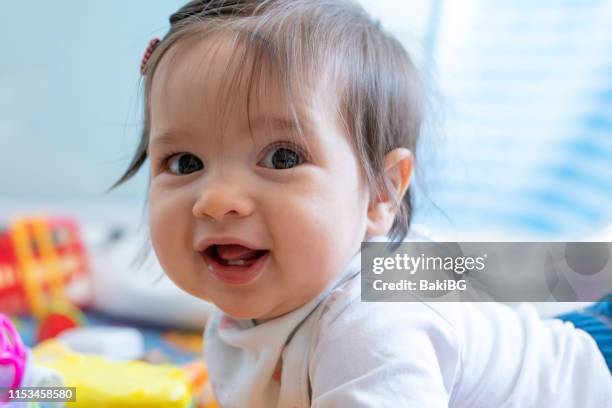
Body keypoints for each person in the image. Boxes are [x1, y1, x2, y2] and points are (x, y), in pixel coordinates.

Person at [113, 0, 612, 406]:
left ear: (381, 192)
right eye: (184, 163)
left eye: (283, 157)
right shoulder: (245, 307)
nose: (216, 201)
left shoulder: (370, 331)